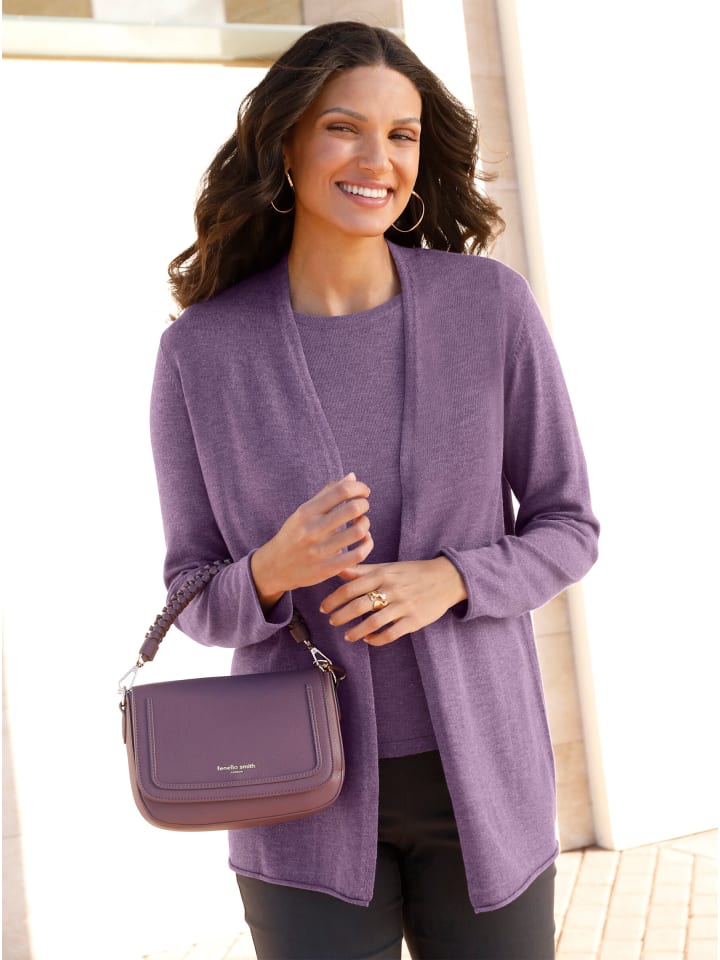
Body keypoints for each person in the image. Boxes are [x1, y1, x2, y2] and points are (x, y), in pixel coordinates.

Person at [150, 20, 599, 960]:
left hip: (485, 786)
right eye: (343, 128)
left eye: (401, 135)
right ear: (286, 144)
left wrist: (453, 579)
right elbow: (190, 595)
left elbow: (568, 526)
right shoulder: (203, 352)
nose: (377, 160)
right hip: (295, 798)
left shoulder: (490, 307)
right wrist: (271, 570)